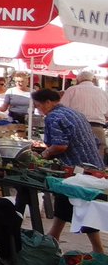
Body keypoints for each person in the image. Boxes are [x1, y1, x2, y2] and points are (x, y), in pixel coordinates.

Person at [33, 88, 103, 253]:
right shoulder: (74, 113)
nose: (38, 109)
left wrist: (44, 154)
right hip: (93, 165)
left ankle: (98, 249)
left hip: (78, 169)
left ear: (48, 102)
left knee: (81, 205)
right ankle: (53, 236)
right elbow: (94, 140)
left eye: (38, 105)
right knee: (65, 201)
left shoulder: (53, 116)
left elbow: (60, 145)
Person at [62, 70, 108, 162]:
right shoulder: (102, 92)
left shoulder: (72, 90)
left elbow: (62, 109)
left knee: (78, 155)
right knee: (98, 155)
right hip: (97, 127)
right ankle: (96, 173)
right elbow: (106, 113)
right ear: (92, 80)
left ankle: (77, 173)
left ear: (78, 80)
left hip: (77, 126)